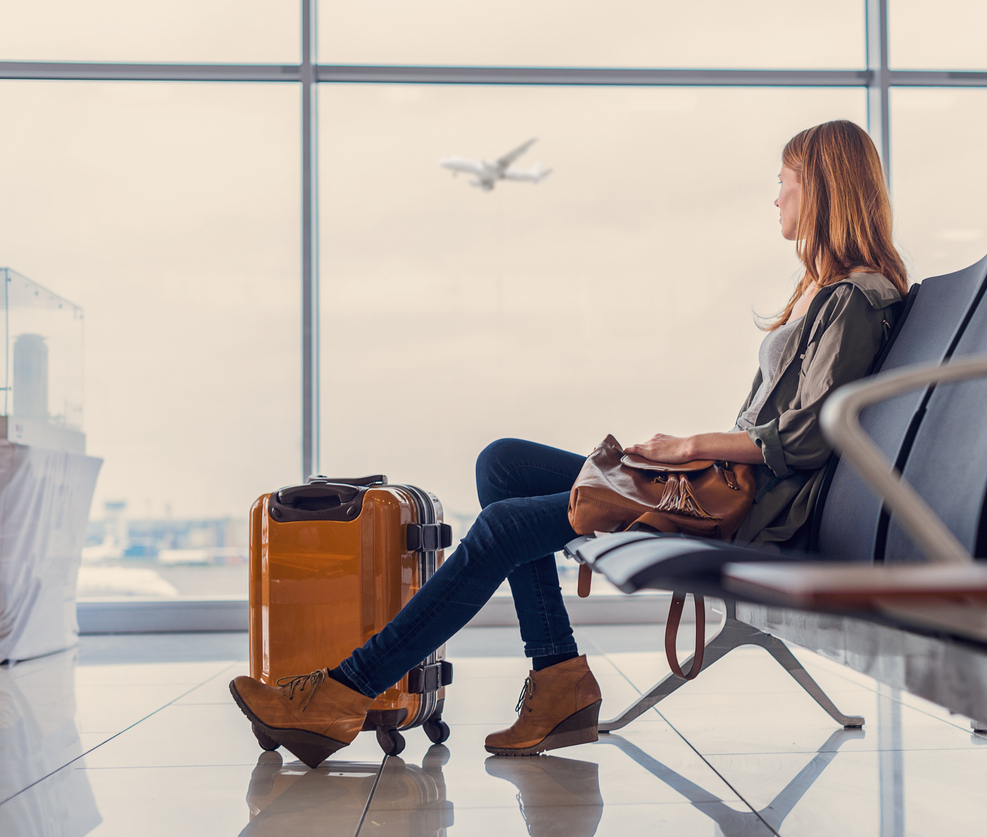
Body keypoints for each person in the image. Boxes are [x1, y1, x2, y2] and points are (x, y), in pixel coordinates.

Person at [229, 119, 908, 766]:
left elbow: (804, 441)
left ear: (821, 189)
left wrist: (683, 448)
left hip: (746, 511)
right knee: (504, 463)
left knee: (501, 526)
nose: (777, 194)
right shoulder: (826, 293)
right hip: (719, 489)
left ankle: (343, 693)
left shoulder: (855, 300)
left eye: (787, 178)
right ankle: (558, 675)